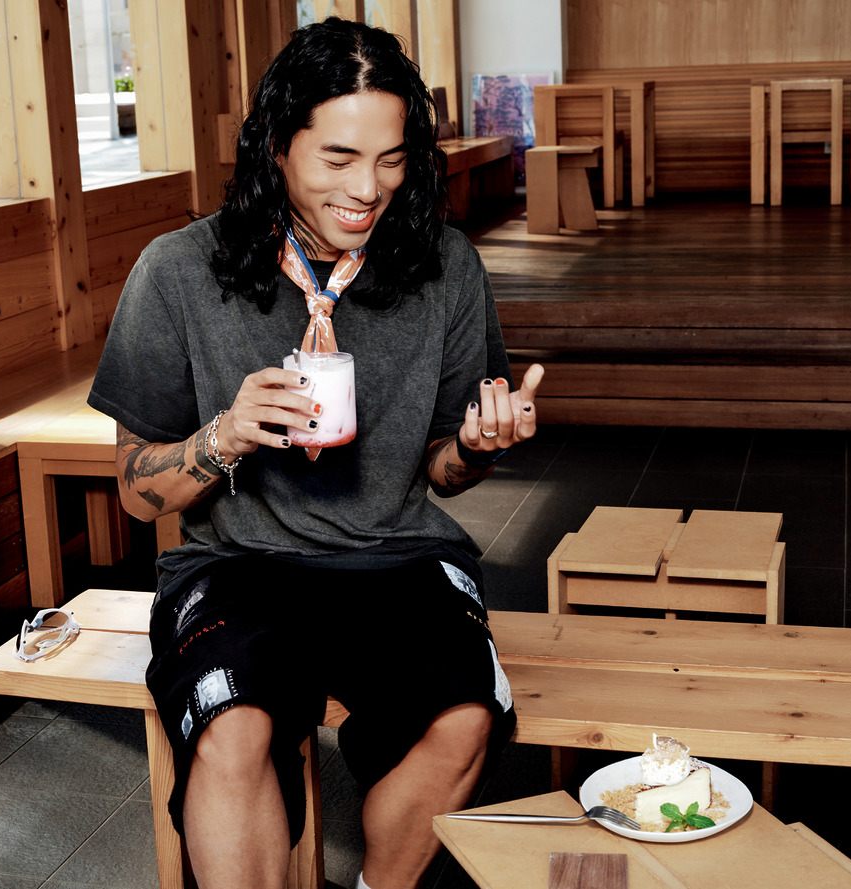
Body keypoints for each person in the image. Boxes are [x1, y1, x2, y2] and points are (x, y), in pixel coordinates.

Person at [88, 16, 545, 889]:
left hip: (397, 555)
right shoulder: (176, 271)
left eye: (391, 159)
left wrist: (476, 446)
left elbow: (444, 470)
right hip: (236, 561)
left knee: (465, 717)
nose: (367, 189)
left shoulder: (445, 266)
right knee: (232, 726)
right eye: (338, 158)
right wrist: (223, 436)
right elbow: (138, 495)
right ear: (276, 146)